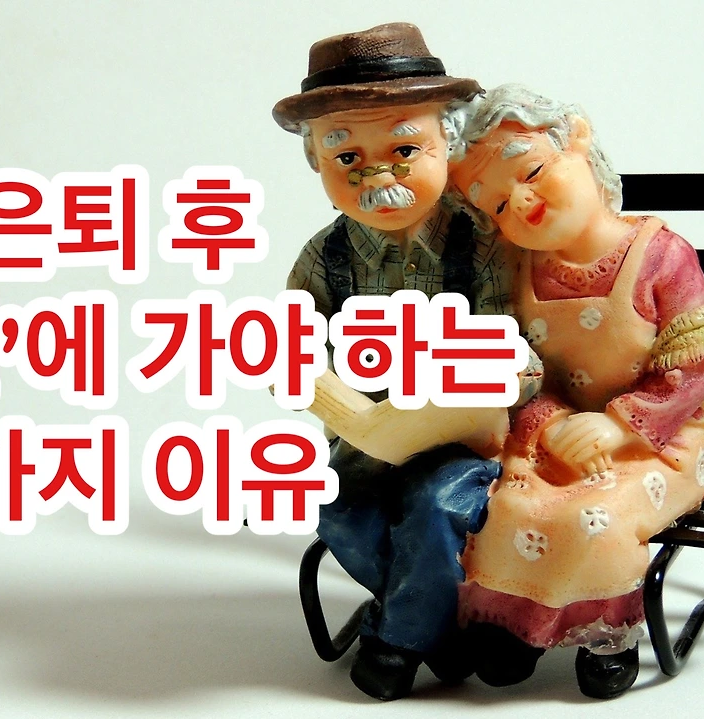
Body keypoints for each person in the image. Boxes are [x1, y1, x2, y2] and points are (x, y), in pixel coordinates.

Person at [449, 84, 704, 699]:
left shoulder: (661, 254)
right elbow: (512, 365)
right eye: (496, 205)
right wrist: (550, 424)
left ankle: (606, 636)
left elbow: (702, 357)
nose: (520, 203)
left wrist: (620, 424)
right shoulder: (516, 272)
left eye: (531, 172)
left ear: (577, 138)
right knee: (507, 507)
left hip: (657, 438)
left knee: (595, 517)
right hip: (553, 437)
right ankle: (511, 628)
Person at [273, 23, 527, 701]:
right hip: (366, 440)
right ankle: (449, 631)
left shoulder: (485, 244)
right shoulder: (324, 258)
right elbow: (290, 341)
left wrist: (492, 376)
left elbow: (519, 342)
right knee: (336, 511)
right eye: (346, 156)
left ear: (449, 143)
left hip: (465, 442)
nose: (378, 174)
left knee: (435, 503)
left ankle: (402, 638)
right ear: (317, 164)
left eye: (405, 148)